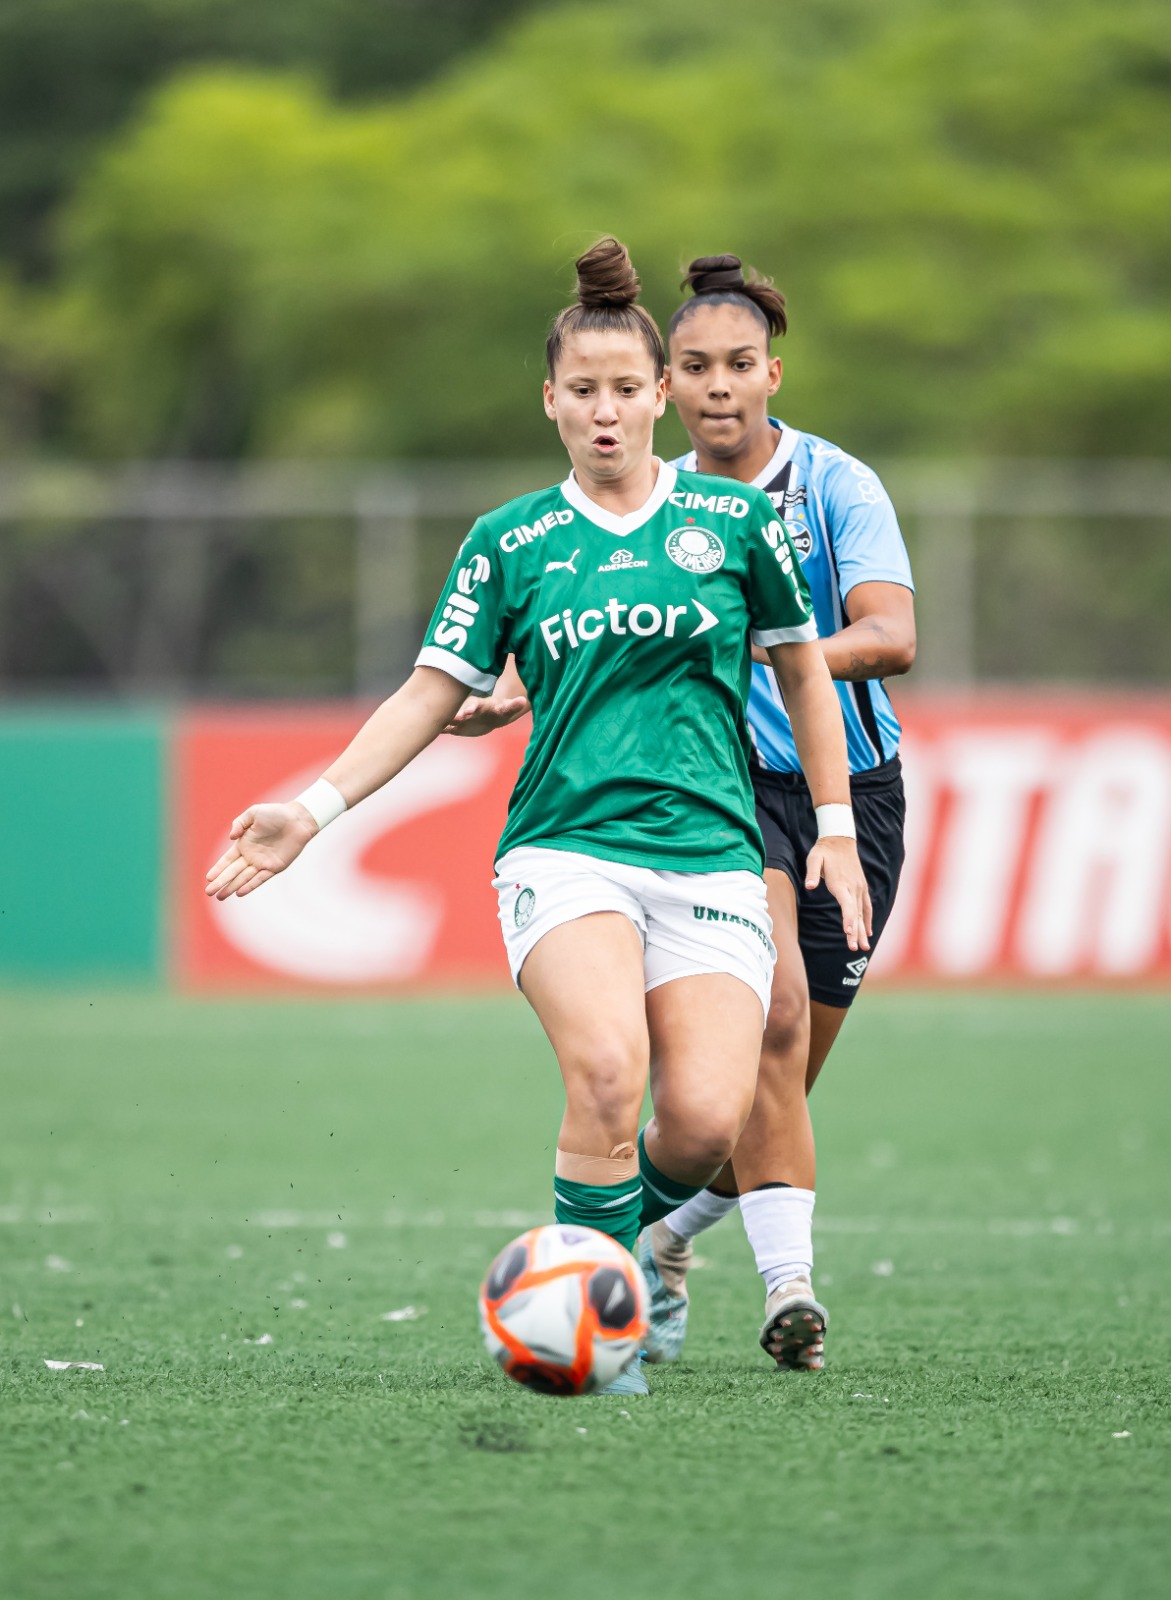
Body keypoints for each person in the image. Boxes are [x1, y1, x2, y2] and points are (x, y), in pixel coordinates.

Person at [204, 237, 871, 1397]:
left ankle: (600, 1266)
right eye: (583, 392)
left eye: (626, 390)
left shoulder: (734, 524)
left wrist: (830, 825)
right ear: (550, 401)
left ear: (658, 399)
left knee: (706, 1122)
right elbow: (430, 693)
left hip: (710, 851)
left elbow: (808, 676)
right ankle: (588, 1324)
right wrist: (310, 811)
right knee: (608, 1075)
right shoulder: (508, 541)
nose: (605, 412)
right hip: (565, 850)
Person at [636, 254, 916, 1372]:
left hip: (855, 789)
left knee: (772, 1089)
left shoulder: (836, 484)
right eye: (693, 367)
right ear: (664, 383)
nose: (716, 386)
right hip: (721, 790)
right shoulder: (647, 502)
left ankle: (660, 1233)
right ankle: (788, 1292)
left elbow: (889, 635)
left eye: (737, 365)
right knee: (775, 1019)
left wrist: (769, 645)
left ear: (771, 373)